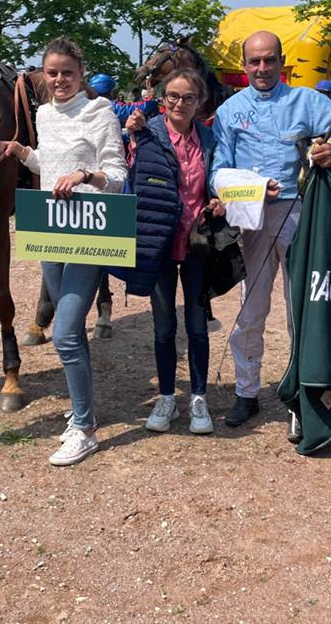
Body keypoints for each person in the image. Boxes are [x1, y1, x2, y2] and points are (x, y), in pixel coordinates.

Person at [209, 30, 331, 433]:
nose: (262, 68)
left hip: (301, 217)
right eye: (254, 61)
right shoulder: (230, 111)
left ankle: (302, 396)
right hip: (252, 221)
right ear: (244, 66)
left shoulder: (309, 102)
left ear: (283, 63)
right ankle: (247, 393)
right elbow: (217, 172)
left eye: (269, 60)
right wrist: (250, 191)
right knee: (250, 311)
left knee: (302, 310)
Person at [0, 37, 126, 466]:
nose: (58, 80)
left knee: (67, 331)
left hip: (90, 229)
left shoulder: (100, 111)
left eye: (66, 72)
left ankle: (85, 428)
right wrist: (23, 153)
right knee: (71, 336)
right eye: (51, 72)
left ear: (81, 74)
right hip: (51, 229)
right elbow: (47, 165)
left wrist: (86, 173)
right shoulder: (44, 114)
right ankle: (81, 404)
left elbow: (118, 175)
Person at [125, 69, 223, 434]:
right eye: (173, 97)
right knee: (164, 326)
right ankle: (167, 396)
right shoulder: (146, 132)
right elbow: (129, 174)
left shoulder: (211, 139)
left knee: (198, 327)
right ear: (163, 99)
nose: (180, 104)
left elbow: (217, 178)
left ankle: (198, 397)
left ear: (200, 102)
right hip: (159, 242)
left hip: (196, 243)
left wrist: (218, 198)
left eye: (188, 98)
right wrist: (133, 133)